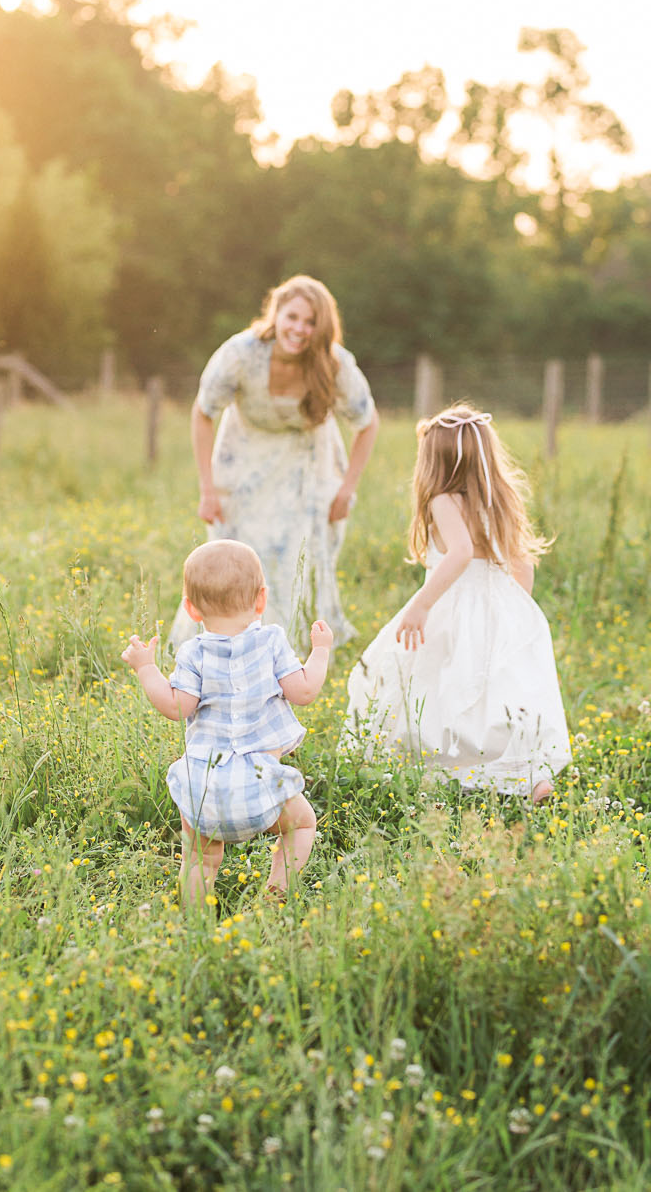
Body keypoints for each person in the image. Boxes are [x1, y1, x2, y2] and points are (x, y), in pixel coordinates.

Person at [342, 403, 570, 800]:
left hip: (453, 600)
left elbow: (460, 552)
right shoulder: (499, 500)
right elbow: (522, 562)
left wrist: (421, 605)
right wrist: (516, 609)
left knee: (431, 681)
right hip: (500, 600)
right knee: (500, 692)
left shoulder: (443, 500)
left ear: (433, 461)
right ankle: (530, 776)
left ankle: (442, 766)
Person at [120, 539, 331, 907]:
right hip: (260, 785)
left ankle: (194, 923)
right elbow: (305, 691)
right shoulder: (271, 641)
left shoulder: (192, 653)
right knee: (302, 825)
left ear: (191, 609)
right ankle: (274, 896)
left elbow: (176, 706)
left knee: (200, 860)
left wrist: (146, 667)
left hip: (204, 787)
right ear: (261, 600)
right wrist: (321, 650)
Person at [171, 276, 378, 650]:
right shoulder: (241, 353)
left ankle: (288, 652)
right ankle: (221, 646)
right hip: (243, 466)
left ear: (322, 327)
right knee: (232, 556)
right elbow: (203, 412)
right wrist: (207, 488)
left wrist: (347, 488)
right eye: (293, 317)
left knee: (297, 558)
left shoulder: (333, 363)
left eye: (310, 322)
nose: (299, 329)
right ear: (275, 314)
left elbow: (367, 422)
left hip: (307, 470)